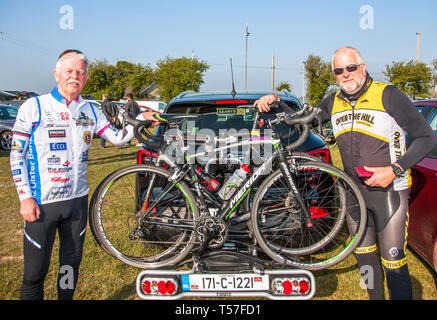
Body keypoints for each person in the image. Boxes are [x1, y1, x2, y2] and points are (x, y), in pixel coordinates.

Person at [254, 46, 437, 300]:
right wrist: (275, 101)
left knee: (394, 262)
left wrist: (394, 170)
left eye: (351, 67)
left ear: (362, 67)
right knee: (365, 260)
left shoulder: (388, 95)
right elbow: (300, 120)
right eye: (339, 71)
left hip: (389, 192)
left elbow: (426, 138)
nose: (346, 74)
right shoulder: (333, 101)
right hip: (353, 193)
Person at [9, 49, 159, 300]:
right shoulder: (34, 106)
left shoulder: (90, 110)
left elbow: (118, 138)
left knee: (69, 267)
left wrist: (140, 118)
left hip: (76, 202)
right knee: (35, 273)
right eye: (69, 71)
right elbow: (17, 155)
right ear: (56, 74)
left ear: (86, 78)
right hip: (41, 204)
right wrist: (25, 197)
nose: (74, 76)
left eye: (80, 72)